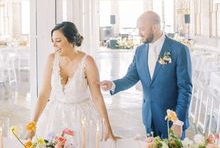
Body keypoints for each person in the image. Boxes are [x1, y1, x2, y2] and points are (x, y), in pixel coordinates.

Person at [101, 11, 192, 139]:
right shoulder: (140, 51)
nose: (139, 33)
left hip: (172, 121)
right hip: (149, 117)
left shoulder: (179, 50)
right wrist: (113, 84)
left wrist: (178, 121)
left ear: (154, 27)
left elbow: (185, 89)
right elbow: (131, 77)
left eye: (142, 29)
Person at [28, 21, 117, 141]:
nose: (54, 45)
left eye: (58, 41)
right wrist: (33, 125)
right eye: (53, 41)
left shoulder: (88, 61)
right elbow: (44, 94)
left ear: (71, 40)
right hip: (54, 116)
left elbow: (97, 97)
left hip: (81, 118)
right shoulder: (51, 59)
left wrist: (108, 127)